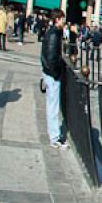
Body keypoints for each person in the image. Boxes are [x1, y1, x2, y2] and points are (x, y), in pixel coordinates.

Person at [41, 9, 69, 149]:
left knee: (52, 106)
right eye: (62, 19)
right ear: (57, 19)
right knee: (53, 107)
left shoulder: (54, 33)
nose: (64, 21)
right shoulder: (54, 35)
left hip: (49, 74)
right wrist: (56, 73)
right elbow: (52, 58)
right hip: (52, 76)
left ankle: (54, 136)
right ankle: (55, 138)